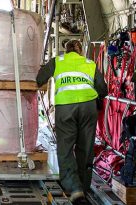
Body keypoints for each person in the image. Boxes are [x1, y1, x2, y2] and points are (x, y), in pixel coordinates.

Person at [36, 40, 107, 204]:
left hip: (66, 108)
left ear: (65, 51)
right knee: (86, 147)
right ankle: (83, 185)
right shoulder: (89, 63)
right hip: (88, 108)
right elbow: (103, 89)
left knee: (66, 147)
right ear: (80, 51)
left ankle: (74, 189)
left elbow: (39, 79)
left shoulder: (58, 61)